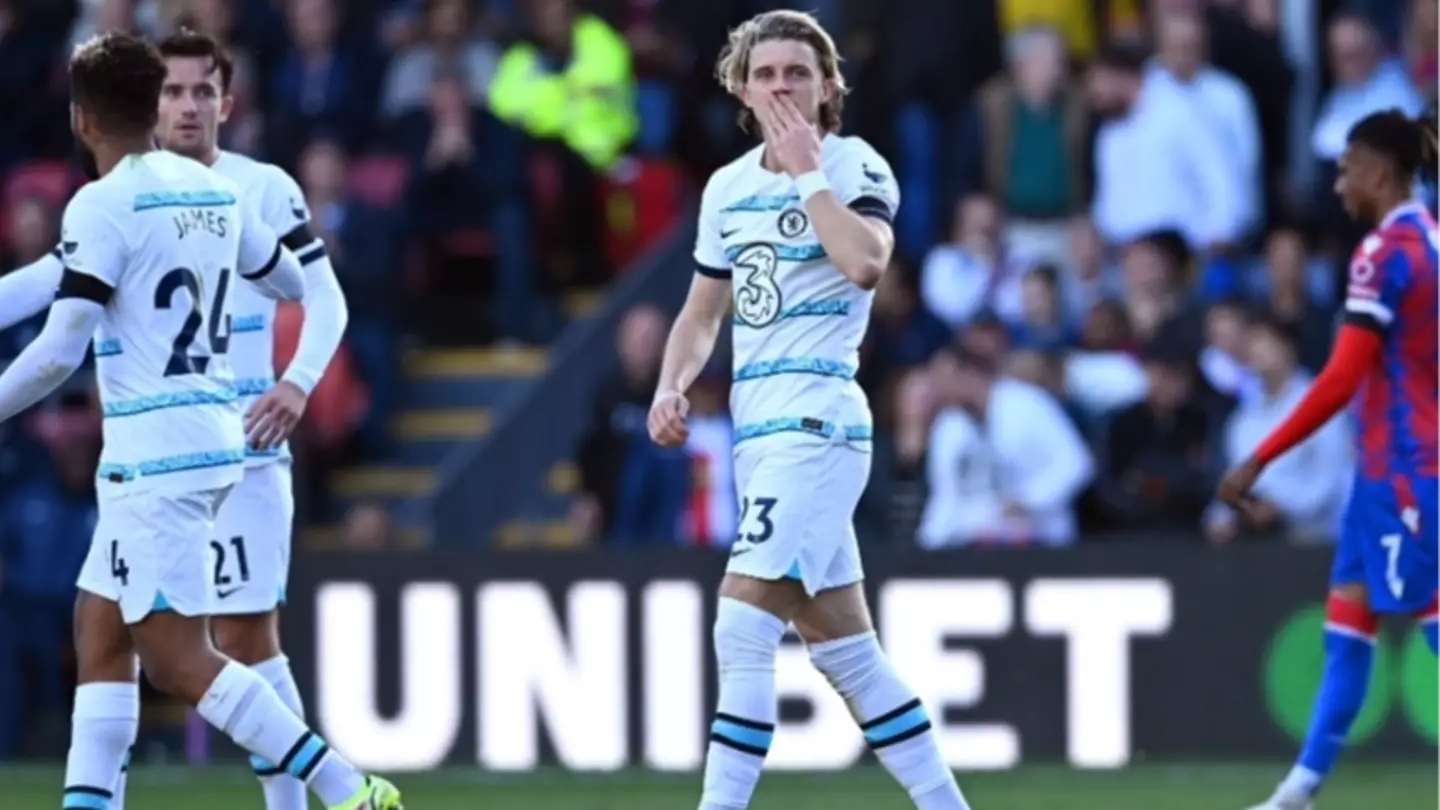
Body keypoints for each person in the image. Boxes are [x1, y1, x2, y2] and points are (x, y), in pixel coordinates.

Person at [0, 33, 398, 810]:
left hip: (158, 456)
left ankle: (348, 789)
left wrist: (296, 381)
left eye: (201, 91)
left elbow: (56, 352)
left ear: (81, 120)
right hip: (202, 441)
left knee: (186, 659)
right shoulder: (211, 194)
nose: (188, 105)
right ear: (152, 105)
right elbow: (286, 275)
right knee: (101, 629)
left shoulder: (106, 204)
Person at [646, 11, 970, 810]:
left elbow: (864, 264)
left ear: (829, 87)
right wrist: (671, 382)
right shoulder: (726, 188)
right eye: (766, 74)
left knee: (741, 628)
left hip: (818, 424)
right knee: (850, 657)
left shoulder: (857, 165)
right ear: (741, 88)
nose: (782, 86)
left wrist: (807, 174)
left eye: (798, 72)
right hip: (759, 435)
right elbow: (700, 313)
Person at [1219, 107, 1440, 810]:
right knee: (1347, 632)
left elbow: (1341, 377)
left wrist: (1259, 457)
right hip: (1383, 473)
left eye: (1346, 171)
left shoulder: (1384, 254)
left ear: (1377, 173)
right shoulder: (1432, 242)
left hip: (1405, 472)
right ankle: (1298, 792)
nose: (1339, 185)